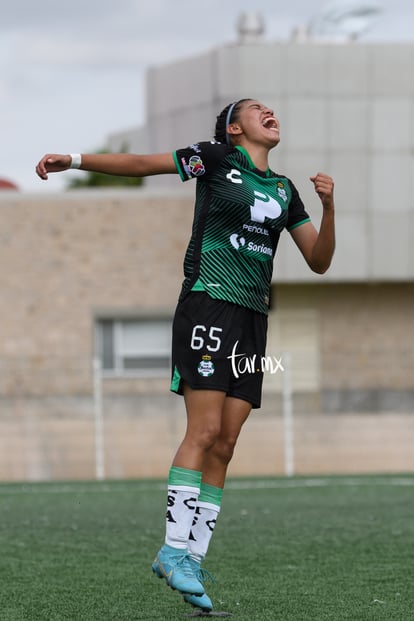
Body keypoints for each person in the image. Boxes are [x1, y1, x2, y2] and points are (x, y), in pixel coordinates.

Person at [36, 98, 335, 613]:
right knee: (202, 432)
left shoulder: (284, 190)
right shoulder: (215, 158)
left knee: (226, 442)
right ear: (234, 128)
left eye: (271, 108)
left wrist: (330, 208)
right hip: (208, 306)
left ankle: (190, 557)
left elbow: (320, 261)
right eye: (255, 109)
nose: (270, 112)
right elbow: (141, 164)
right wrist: (76, 160)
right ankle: (172, 548)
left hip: (253, 321)